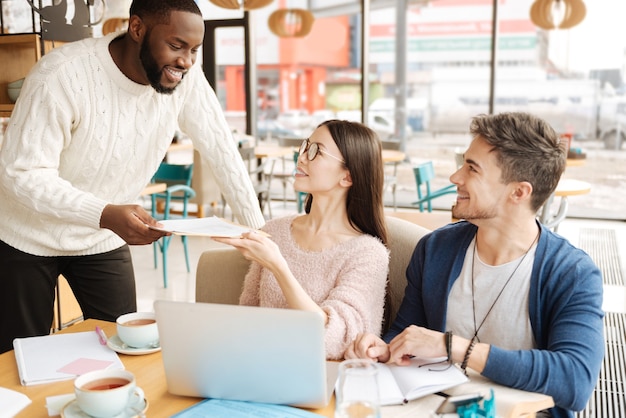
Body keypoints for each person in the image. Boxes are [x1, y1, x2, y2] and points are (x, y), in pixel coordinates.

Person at [0, 0, 265, 354]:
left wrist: (263, 237)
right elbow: (20, 172)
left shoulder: (184, 79)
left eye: (194, 50)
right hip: (26, 237)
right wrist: (104, 213)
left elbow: (222, 150)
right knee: (18, 357)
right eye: (176, 45)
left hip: (100, 239)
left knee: (127, 347)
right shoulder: (62, 75)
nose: (185, 61)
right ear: (137, 29)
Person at [345, 112, 604, 418]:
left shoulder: (572, 273)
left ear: (518, 192)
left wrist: (456, 348)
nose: (455, 177)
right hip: (433, 409)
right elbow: (406, 332)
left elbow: (575, 380)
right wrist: (383, 349)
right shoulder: (436, 250)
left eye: (472, 169)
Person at [214, 120, 389, 360]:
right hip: (260, 364)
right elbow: (249, 313)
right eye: (305, 146)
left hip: (324, 380)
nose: (302, 157)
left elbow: (334, 341)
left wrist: (278, 266)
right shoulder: (275, 231)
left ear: (347, 177)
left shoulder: (368, 253)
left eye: (316, 151)